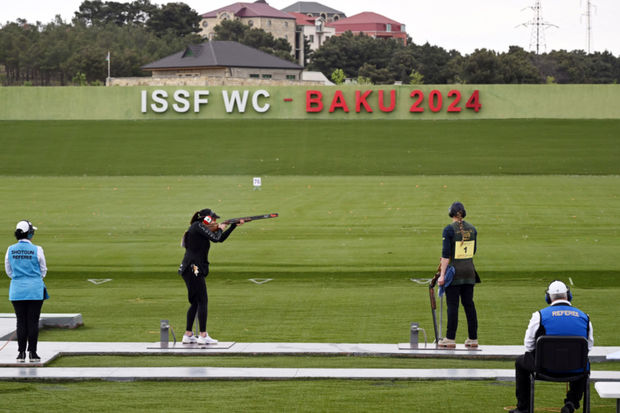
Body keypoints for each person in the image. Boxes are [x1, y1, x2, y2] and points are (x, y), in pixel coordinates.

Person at [509, 280, 593, 413]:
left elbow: (528, 345)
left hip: (544, 368)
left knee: (521, 362)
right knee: (583, 362)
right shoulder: (585, 317)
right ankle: (572, 402)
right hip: (575, 368)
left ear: (548, 297)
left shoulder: (539, 316)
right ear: (568, 295)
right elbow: (588, 347)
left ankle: (523, 408)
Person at [178, 209, 242, 345]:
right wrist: (220, 228)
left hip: (189, 268)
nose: (214, 221)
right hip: (193, 268)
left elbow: (220, 239)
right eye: (213, 219)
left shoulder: (198, 228)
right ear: (206, 219)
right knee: (202, 301)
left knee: (196, 302)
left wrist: (233, 226)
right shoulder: (198, 226)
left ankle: (188, 334)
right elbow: (216, 238)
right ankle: (203, 335)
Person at [4, 220, 49, 362]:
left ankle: (21, 353)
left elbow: (9, 270)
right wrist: (33, 279)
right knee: (33, 322)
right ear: (29, 233)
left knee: (21, 321)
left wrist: (20, 278)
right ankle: (33, 353)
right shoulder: (38, 249)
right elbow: (43, 270)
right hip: (35, 290)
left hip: (17, 290)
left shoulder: (10, 249)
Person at [437, 201, 479, 348]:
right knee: (469, 305)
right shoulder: (472, 229)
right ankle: (473, 338)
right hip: (470, 272)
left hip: (454, 273)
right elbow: (473, 252)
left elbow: (446, 255)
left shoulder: (448, 230)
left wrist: (442, 275)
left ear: (451, 214)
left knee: (452, 305)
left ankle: (450, 338)